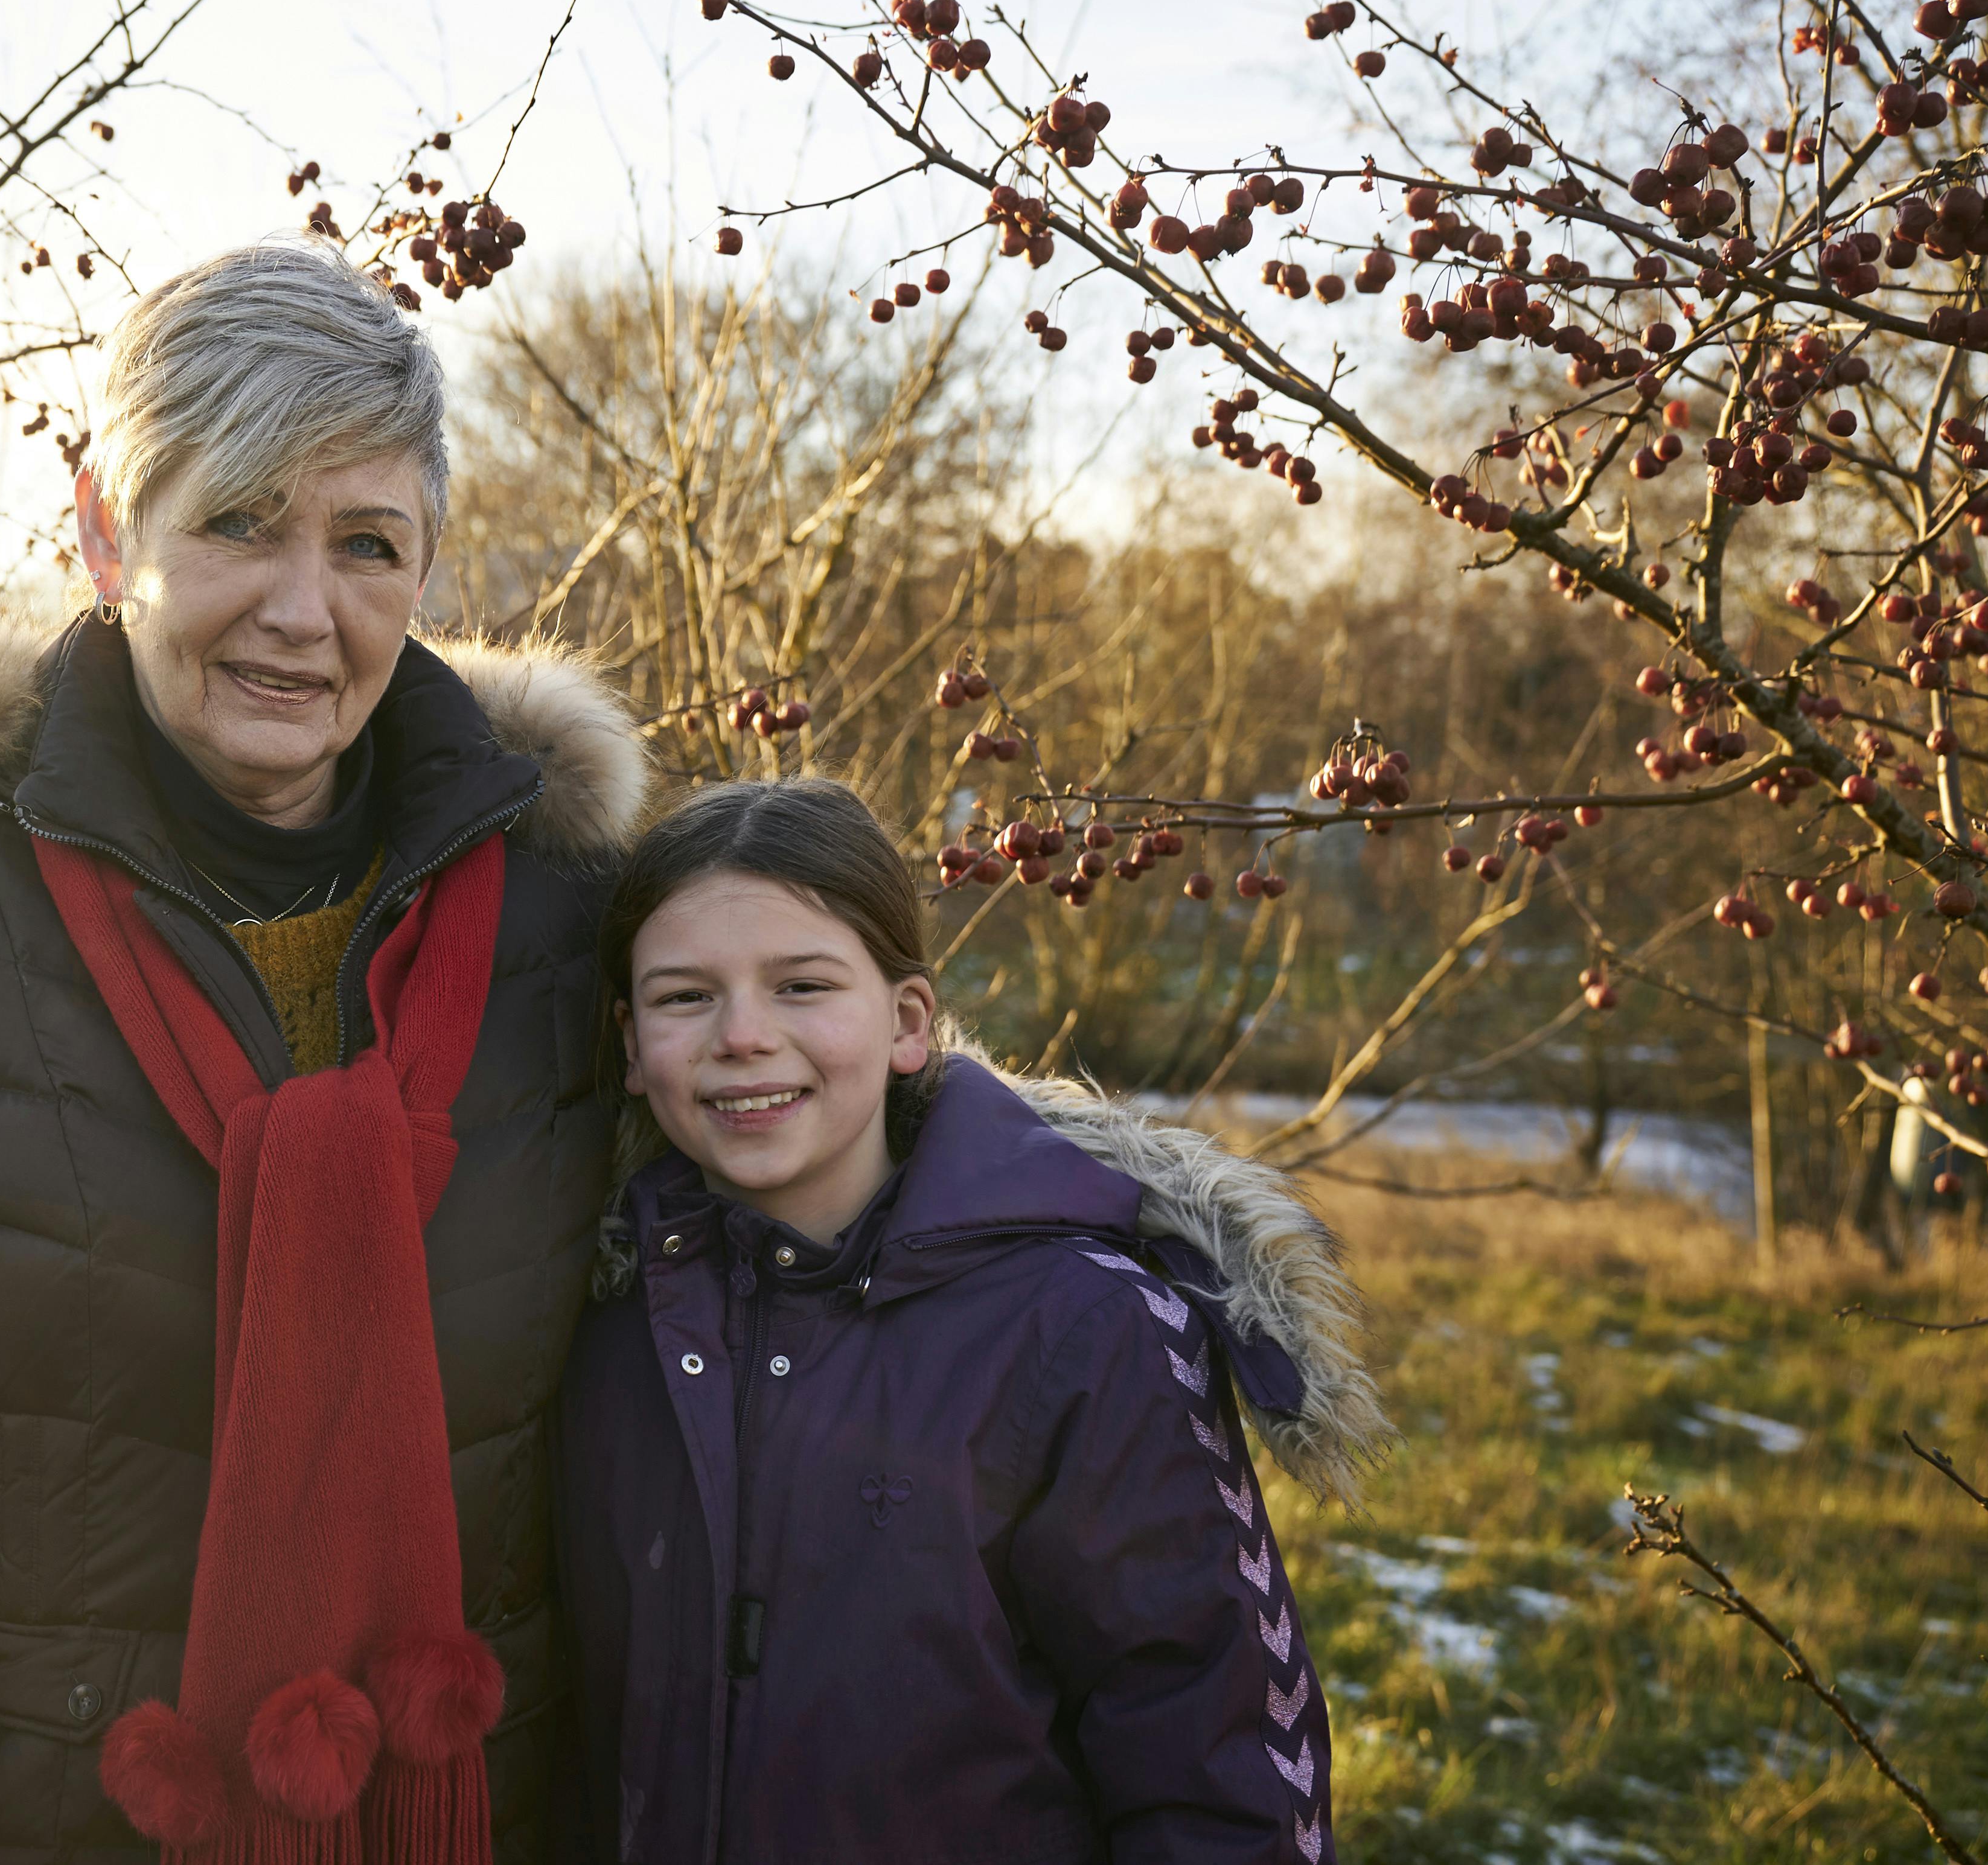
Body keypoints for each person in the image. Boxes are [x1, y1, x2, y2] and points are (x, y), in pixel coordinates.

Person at [0, 240, 648, 1864]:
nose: (303, 610)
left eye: (366, 543)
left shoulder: (559, 914)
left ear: (426, 570)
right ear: (107, 531)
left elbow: (798, 1162)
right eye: (238, 521)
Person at [560, 778, 1395, 1863]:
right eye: (684, 998)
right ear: (629, 1046)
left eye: (803, 984)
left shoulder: (1086, 1324)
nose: (743, 1037)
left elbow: (1215, 1766)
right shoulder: (608, 1320)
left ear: (908, 1023)